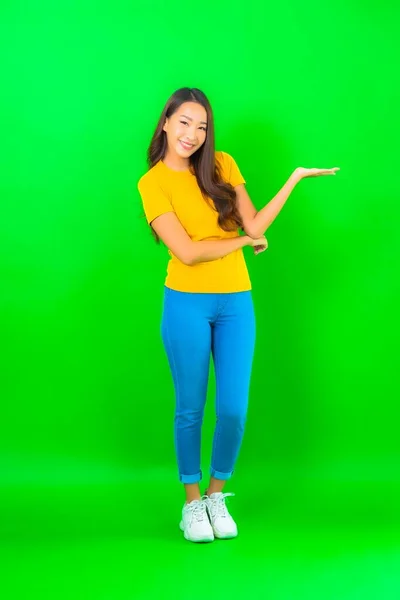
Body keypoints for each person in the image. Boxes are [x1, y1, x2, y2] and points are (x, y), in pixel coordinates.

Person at [137, 87, 339, 543]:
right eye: (184, 122)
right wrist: (241, 244)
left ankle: (214, 495)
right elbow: (187, 252)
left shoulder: (222, 165)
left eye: (201, 126)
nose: (192, 134)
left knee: (233, 409)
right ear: (165, 123)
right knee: (190, 408)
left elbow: (255, 226)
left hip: (236, 303)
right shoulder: (153, 183)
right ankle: (191, 503)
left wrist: (294, 179)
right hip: (186, 301)